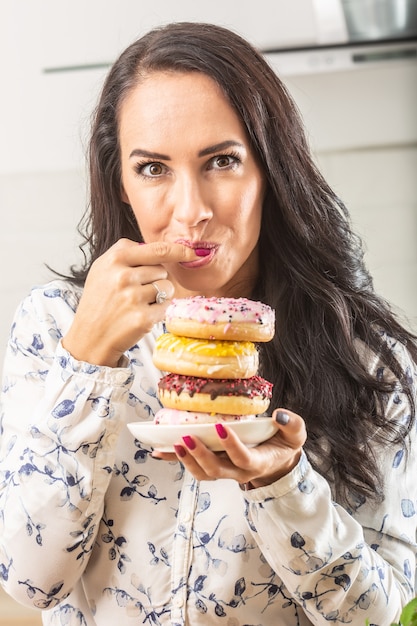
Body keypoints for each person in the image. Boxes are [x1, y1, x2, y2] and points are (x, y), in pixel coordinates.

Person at [0, 21, 416, 626]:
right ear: (121, 183)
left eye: (221, 161)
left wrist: (282, 484)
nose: (190, 211)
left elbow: (380, 614)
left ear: (270, 171)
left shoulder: (367, 360)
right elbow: (26, 582)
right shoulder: (54, 325)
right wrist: (87, 365)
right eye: (153, 168)